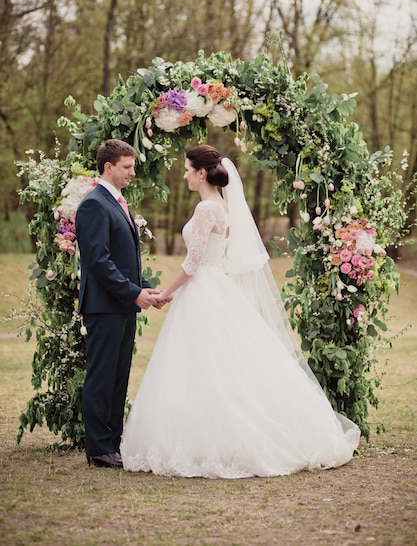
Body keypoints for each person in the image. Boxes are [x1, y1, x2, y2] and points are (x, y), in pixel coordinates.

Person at [120, 144, 361, 478]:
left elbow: (193, 263)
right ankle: (208, 438)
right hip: (215, 285)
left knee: (204, 366)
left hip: (203, 287)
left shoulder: (207, 210)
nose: (185, 174)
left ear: (202, 172)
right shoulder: (222, 207)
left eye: (188, 169)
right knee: (216, 366)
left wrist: (166, 293)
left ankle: (213, 441)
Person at [76, 138, 163, 469]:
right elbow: (98, 261)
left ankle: (113, 443)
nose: (132, 172)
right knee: (102, 376)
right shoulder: (94, 204)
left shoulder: (118, 202)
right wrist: (132, 293)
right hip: (104, 306)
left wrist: (144, 287)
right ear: (108, 167)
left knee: (118, 376)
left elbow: (125, 260)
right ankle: (99, 449)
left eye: (134, 167)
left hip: (122, 304)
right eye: (127, 167)